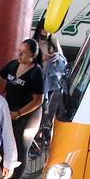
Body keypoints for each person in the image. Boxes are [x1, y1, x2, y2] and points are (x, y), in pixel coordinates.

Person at [0, 38, 44, 179]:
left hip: (27, 115)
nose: (20, 54)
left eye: (24, 52)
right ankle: (5, 178)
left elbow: (38, 100)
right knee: (2, 146)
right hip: (9, 110)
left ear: (33, 55)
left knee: (20, 147)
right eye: (19, 51)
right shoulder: (12, 65)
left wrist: (19, 113)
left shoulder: (36, 72)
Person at [32, 32, 68, 162]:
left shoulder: (54, 42)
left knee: (47, 111)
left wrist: (55, 57)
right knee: (38, 108)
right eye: (44, 29)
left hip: (51, 81)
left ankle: (41, 137)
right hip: (38, 79)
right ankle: (37, 137)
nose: (46, 33)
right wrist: (43, 58)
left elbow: (63, 60)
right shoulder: (33, 43)